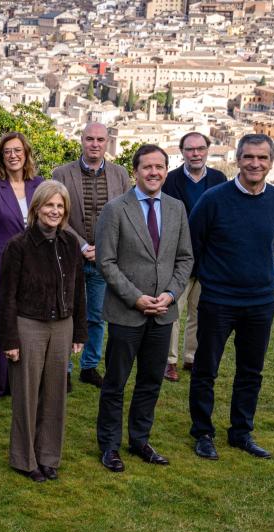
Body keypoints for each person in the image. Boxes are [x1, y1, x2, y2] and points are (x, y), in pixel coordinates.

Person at [188, 134, 274, 461]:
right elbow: (193, 243)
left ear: (271, 162)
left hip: (260, 301)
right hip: (218, 299)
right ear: (238, 159)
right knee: (206, 368)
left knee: (251, 371)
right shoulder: (214, 199)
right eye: (249, 157)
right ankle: (202, 432)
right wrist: (215, 277)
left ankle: (241, 432)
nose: (255, 164)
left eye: (262, 158)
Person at [94, 144, 193, 473]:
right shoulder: (115, 209)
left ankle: (139, 439)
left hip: (164, 312)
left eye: (160, 167)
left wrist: (171, 293)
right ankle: (109, 445)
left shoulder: (177, 208)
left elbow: (184, 258)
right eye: (147, 167)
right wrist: (134, 297)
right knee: (115, 382)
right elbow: (106, 262)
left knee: (151, 381)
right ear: (134, 171)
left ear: (166, 170)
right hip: (127, 312)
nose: (154, 173)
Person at [0, 180, 87, 482]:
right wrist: (9, 339)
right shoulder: (18, 246)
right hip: (29, 326)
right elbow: (7, 295)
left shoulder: (70, 244)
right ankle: (25, 459)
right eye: (49, 205)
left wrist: (79, 333)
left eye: (60, 206)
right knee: (26, 395)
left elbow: (78, 290)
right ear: (37, 208)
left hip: (63, 326)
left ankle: (49, 456)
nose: (54, 210)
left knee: (55, 394)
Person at [52, 123, 131, 389]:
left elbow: (125, 216)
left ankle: (89, 366)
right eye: (89, 139)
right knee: (66, 314)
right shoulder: (61, 174)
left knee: (96, 315)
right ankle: (64, 368)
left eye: (100, 139)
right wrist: (83, 245)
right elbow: (56, 215)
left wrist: (104, 249)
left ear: (107, 142)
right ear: (81, 140)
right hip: (69, 256)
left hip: (104, 259)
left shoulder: (120, 175)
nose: (94, 144)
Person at [0, 131, 45, 401]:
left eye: (18, 150)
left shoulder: (39, 184)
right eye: (7, 152)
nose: (13, 155)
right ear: (1, 157)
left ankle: (22, 384)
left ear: (26, 153)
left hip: (33, 268)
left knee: (28, 329)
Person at [161, 132, 227, 382]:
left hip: (209, 259)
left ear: (208, 151)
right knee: (173, 312)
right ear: (182, 152)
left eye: (200, 149)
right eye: (190, 149)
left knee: (200, 312)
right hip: (177, 257)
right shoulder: (171, 180)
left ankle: (192, 357)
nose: (196, 154)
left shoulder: (219, 179)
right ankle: (169, 361)